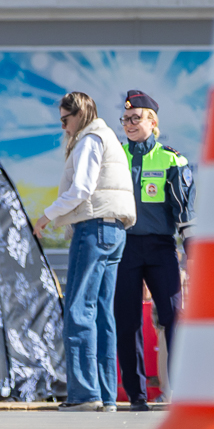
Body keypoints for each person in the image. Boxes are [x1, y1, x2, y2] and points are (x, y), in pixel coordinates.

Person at [33, 92, 136, 411]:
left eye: (65, 120)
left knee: (79, 309)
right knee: (103, 314)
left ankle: (84, 394)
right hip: (115, 230)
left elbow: (81, 189)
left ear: (79, 114)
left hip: (93, 229)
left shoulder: (90, 138)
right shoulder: (109, 137)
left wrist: (47, 215)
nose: (64, 128)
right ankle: (106, 396)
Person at [114, 90, 195, 412]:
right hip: (125, 246)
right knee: (127, 320)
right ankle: (137, 395)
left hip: (161, 248)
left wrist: (191, 250)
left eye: (136, 118)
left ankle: (183, 392)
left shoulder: (172, 159)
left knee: (174, 317)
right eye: (126, 119)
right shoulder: (115, 156)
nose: (130, 124)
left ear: (153, 122)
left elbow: (184, 210)